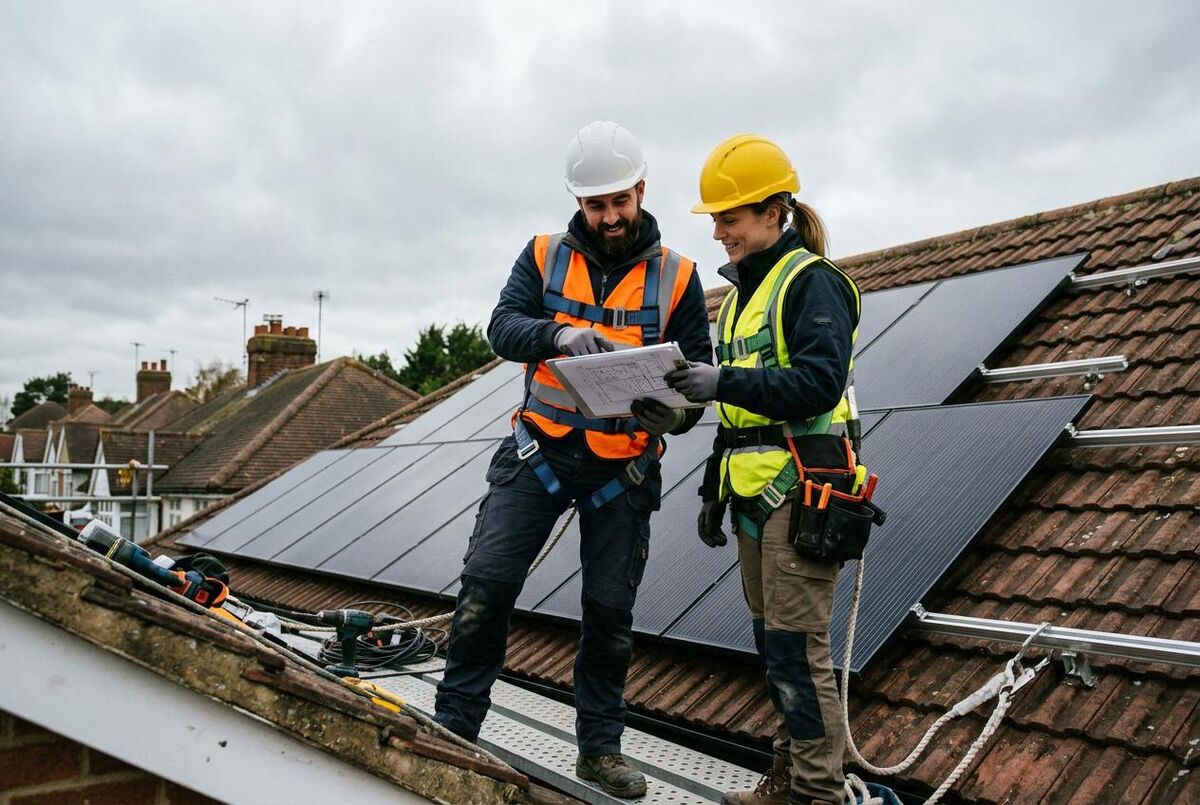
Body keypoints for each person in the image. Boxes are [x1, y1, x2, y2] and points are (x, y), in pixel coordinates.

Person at [433, 120, 713, 799]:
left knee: (609, 611)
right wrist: (559, 333)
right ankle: (452, 730)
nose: (610, 217)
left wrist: (673, 414)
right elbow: (502, 327)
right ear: (578, 202)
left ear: (641, 190)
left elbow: (698, 378)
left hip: (624, 470)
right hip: (538, 454)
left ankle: (599, 750)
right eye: (596, 205)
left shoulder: (679, 277)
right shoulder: (542, 255)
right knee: (487, 584)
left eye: (620, 200)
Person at [666, 134, 862, 805]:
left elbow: (813, 383)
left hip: (805, 489)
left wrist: (720, 380)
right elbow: (743, 417)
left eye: (731, 217)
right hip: (757, 493)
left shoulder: (812, 283)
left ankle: (816, 793)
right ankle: (787, 779)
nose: (719, 232)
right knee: (775, 648)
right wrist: (712, 488)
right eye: (716, 219)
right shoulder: (747, 294)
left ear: (775, 210)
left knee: (800, 653)